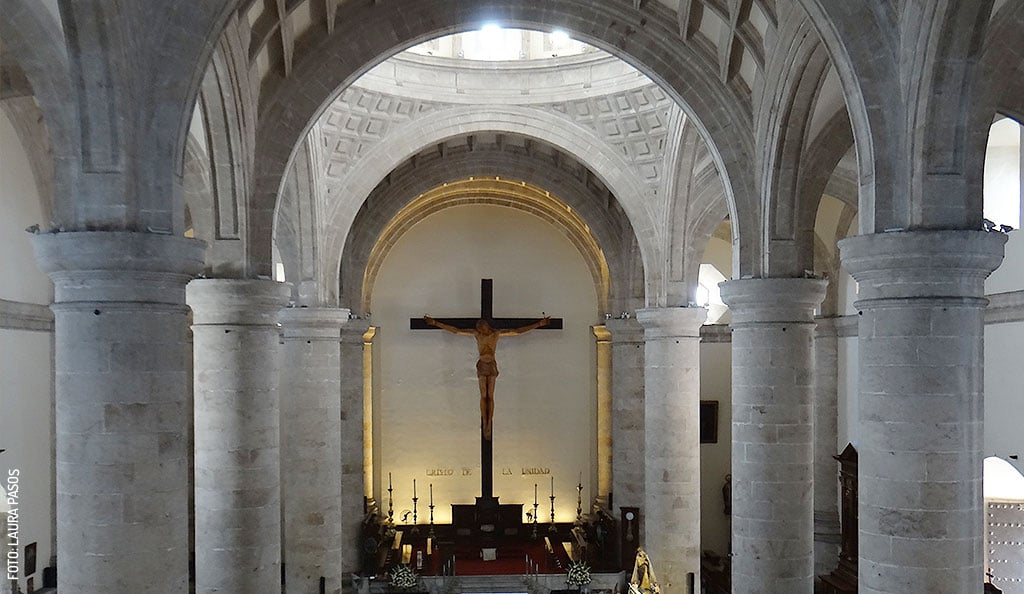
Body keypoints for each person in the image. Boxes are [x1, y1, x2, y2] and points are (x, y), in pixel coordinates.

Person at [422, 315, 550, 439]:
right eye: (478, 328)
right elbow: (456, 331)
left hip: (492, 365)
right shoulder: (477, 335)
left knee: (490, 395)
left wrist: (538, 324)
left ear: (487, 326)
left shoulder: (496, 334)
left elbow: (517, 331)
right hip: (482, 365)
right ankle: (485, 421)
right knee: (484, 395)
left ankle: (489, 421)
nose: (480, 329)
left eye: (481, 327)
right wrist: (436, 323)